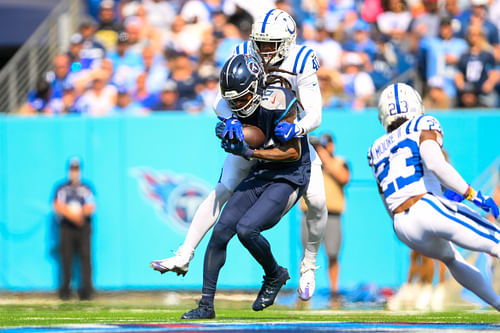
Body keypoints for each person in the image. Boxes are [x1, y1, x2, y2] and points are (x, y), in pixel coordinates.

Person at [150, 9, 328, 302]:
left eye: (270, 44)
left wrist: (295, 128)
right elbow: (219, 102)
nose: (263, 50)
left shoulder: (301, 59)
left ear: (286, 42)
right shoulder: (245, 52)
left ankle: (308, 263)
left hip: (286, 140)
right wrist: (231, 121)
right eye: (260, 43)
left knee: (319, 201)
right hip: (252, 133)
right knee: (223, 188)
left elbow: (315, 114)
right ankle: (184, 253)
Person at [179, 54, 311, 319]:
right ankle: (206, 305)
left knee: (247, 229)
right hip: (260, 172)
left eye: (241, 99)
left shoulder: (279, 101)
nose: (237, 106)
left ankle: (275, 274)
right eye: (232, 101)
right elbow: (248, 132)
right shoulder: (235, 107)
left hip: (288, 174)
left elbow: (292, 153)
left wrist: (249, 153)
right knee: (221, 230)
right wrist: (233, 138)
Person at [368, 83, 500, 311]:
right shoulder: (423, 123)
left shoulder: (375, 148)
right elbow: (435, 163)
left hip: (402, 224)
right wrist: (473, 195)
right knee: (495, 239)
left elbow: (386, 199)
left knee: (452, 259)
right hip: (425, 206)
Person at [302, 133, 350, 308]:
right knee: (306, 255)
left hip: (332, 215)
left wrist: (325, 158)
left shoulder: (339, 161)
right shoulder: (309, 162)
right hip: (310, 214)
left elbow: (344, 178)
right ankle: (304, 292)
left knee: (333, 255)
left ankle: (334, 292)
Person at [53, 157, 96, 300]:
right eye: (72, 169)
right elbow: (58, 205)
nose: (74, 172)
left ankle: (87, 291)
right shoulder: (62, 188)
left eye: (76, 169)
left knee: (85, 258)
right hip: (67, 228)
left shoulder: (86, 188)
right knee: (66, 258)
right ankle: (65, 291)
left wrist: (80, 214)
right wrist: (73, 215)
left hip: (83, 228)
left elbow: (91, 206)